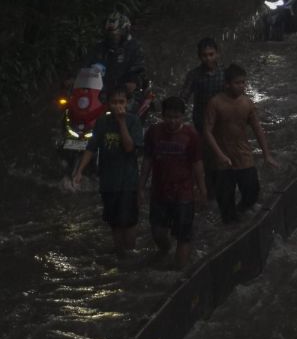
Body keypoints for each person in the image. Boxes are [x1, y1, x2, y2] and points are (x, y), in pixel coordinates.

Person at [72, 85, 144, 256]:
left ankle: (130, 253)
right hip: (108, 181)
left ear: (127, 103)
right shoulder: (102, 122)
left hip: (128, 181)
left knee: (128, 221)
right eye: (114, 102)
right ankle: (119, 253)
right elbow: (91, 148)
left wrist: (121, 123)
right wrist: (79, 171)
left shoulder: (133, 121)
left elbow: (129, 148)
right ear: (108, 104)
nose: (118, 106)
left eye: (122, 102)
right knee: (114, 221)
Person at [205, 64, 278, 224]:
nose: (242, 86)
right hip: (222, 160)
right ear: (227, 84)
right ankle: (229, 227)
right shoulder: (215, 103)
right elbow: (207, 131)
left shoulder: (247, 103)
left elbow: (258, 129)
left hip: (243, 156)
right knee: (225, 201)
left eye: (244, 82)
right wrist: (219, 155)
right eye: (238, 83)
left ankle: (241, 214)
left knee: (252, 192)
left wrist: (267, 155)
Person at [140, 96, 205, 267]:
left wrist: (201, 189)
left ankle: (179, 271)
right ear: (162, 115)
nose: (172, 121)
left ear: (182, 116)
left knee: (183, 234)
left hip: (183, 192)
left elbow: (197, 163)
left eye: (176, 117)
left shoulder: (191, 135)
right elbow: (147, 160)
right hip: (159, 191)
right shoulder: (153, 132)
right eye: (168, 116)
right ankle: (165, 250)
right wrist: (140, 187)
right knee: (157, 231)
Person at [177, 37, 224, 198]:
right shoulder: (194, 75)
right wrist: (175, 114)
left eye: (211, 54)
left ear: (217, 54)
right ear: (199, 57)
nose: (208, 58)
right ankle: (209, 191)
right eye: (205, 55)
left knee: (223, 154)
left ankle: (221, 188)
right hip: (202, 122)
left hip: (221, 120)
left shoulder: (224, 73)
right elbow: (184, 96)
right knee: (207, 157)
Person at [86, 12, 146, 98]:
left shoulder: (133, 48)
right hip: (98, 91)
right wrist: (73, 78)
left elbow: (138, 69)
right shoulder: (99, 47)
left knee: (127, 108)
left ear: (124, 32)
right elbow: (86, 64)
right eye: (109, 34)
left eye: (115, 34)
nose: (112, 37)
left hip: (124, 93)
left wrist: (133, 81)